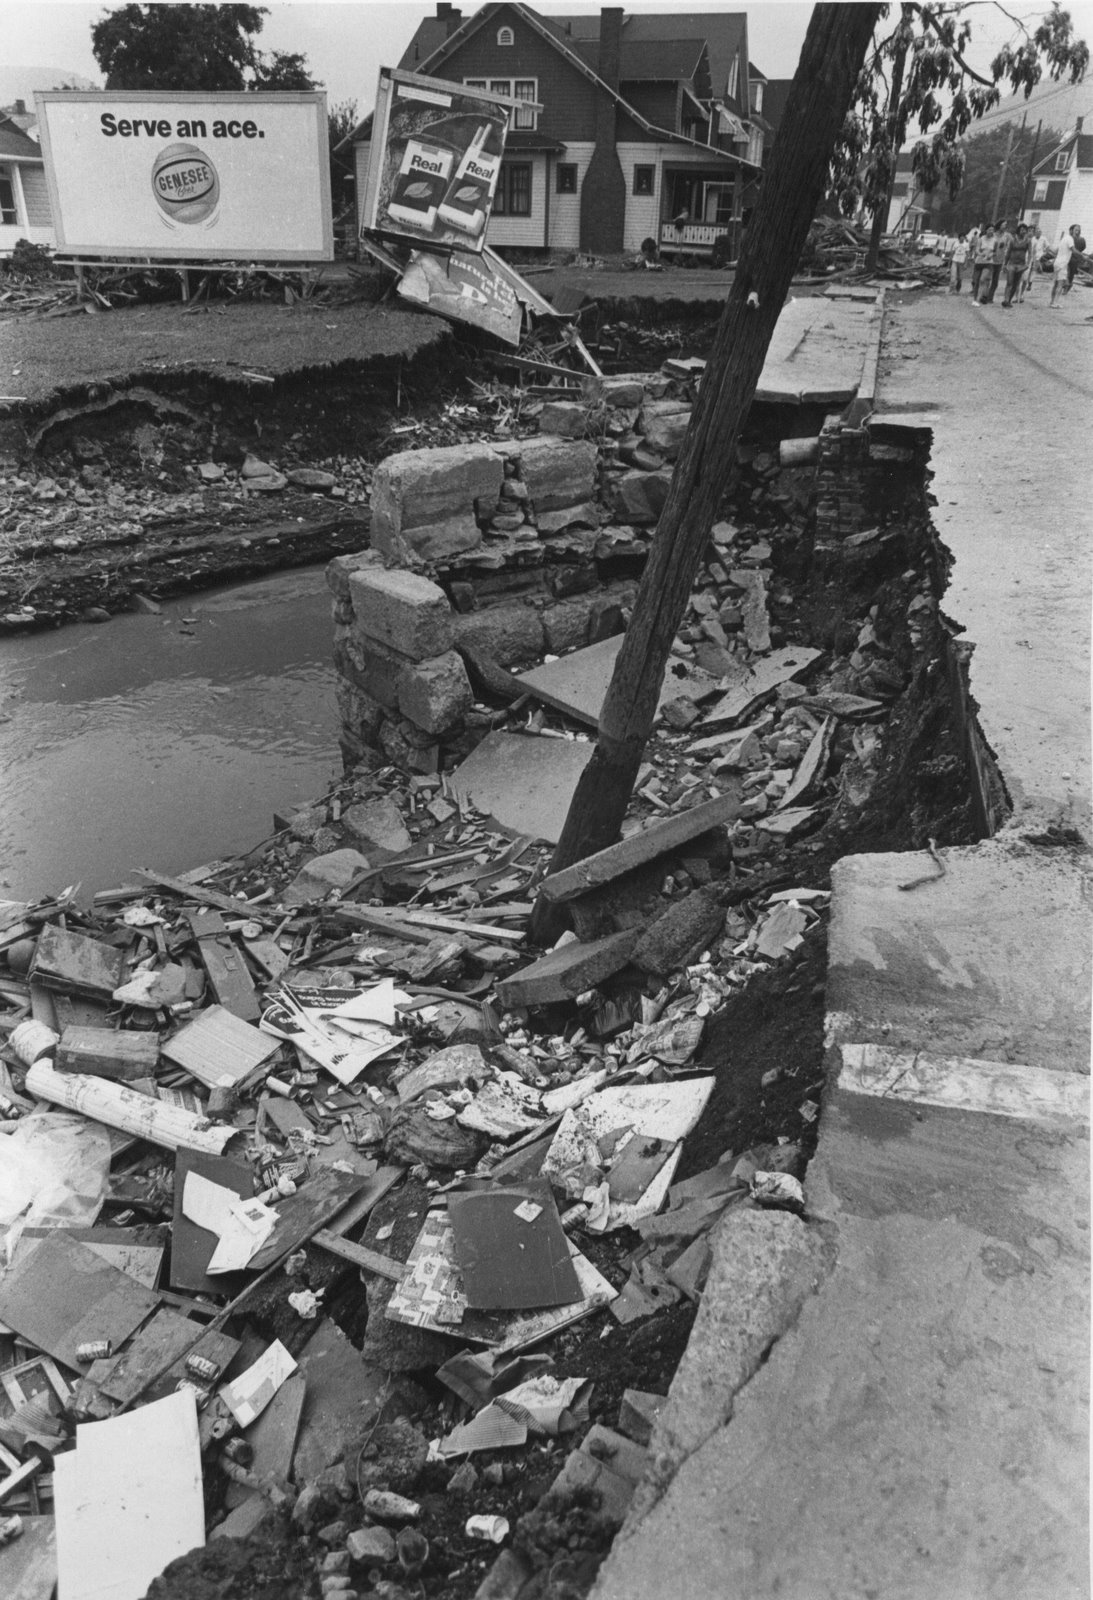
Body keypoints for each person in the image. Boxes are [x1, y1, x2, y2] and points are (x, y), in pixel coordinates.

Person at [1001, 223, 1031, 306]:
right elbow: (1008, 252)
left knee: (1015, 283)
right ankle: (1005, 300)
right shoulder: (1013, 240)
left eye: (1025, 230)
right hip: (1012, 264)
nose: (1023, 231)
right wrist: (1005, 264)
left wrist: (1028, 264)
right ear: (1018, 231)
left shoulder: (1028, 241)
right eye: (1022, 230)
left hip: (1021, 265)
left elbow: (1030, 253)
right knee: (1009, 282)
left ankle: (1009, 300)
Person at [984, 218, 1012, 303]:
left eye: (1006, 225)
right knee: (987, 279)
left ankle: (990, 297)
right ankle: (984, 296)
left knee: (995, 281)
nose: (1005, 226)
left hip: (1000, 261)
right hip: (991, 260)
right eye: (1004, 224)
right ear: (999, 225)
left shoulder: (1007, 235)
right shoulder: (993, 234)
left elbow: (1013, 243)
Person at [1049, 225, 1076, 306]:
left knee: (1056, 284)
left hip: (1058, 263)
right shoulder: (1070, 239)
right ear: (1071, 230)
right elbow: (1074, 250)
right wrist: (1083, 257)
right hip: (1062, 264)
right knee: (1060, 285)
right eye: (1076, 230)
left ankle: (1052, 302)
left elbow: (1056, 251)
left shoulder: (1064, 238)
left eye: (1079, 231)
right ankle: (1055, 303)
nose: (1077, 232)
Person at [971, 224, 994, 302]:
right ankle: (975, 298)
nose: (991, 231)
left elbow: (995, 251)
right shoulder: (981, 239)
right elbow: (977, 250)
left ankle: (978, 299)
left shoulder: (994, 240)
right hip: (979, 262)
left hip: (988, 262)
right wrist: (981, 254)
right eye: (989, 230)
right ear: (986, 230)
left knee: (982, 279)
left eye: (992, 230)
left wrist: (991, 255)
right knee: (976, 281)